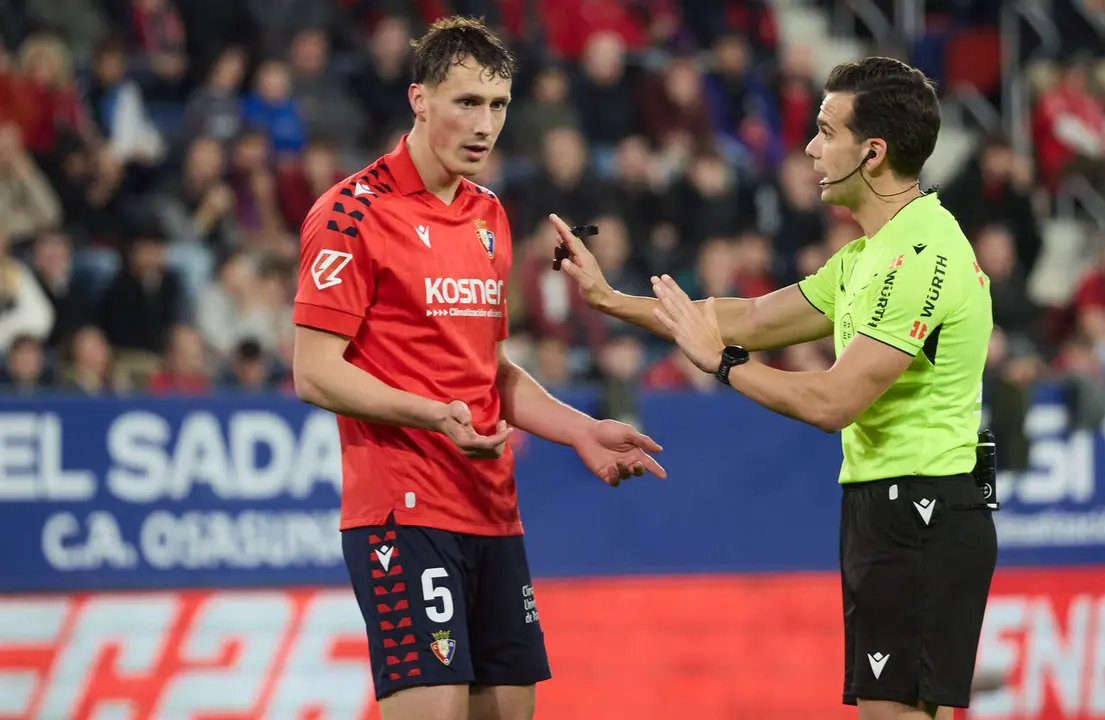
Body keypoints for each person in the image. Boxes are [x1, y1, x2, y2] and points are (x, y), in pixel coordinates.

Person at [554, 57, 996, 720]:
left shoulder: (921, 257)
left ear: (872, 153)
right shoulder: (869, 256)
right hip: (891, 503)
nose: (811, 148)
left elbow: (832, 401)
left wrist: (726, 366)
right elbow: (750, 318)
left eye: (825, 131)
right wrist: (610, 299)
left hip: (922, 507)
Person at [290, 17, 665, 720]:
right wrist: (430, 414)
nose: (484, 124)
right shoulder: (350, 213)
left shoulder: (489, 215)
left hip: (493, 513)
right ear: (419, 99)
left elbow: (489, 370)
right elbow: (314, 373)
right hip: (402, 516)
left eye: (497, 106)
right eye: (466, 102)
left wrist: (579, 430)